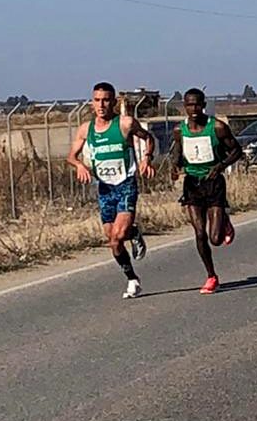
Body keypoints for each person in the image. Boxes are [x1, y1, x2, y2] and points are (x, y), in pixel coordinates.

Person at [66, 81, 157, 299]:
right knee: (113, 241)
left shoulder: (125, 123)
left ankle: (130, 231)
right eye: (97, 100)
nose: (101, 104)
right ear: (91, 103)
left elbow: (148, 138)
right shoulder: (86, 129)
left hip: (125, 184)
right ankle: (132, 279)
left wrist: (146, 159)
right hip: (105, 188)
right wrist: (79, 165)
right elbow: (71, 156)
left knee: (119, 233)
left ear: (114, 102)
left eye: (106, 100)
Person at [171, 87, 243, 295]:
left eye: (197, 104)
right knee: (199, 233)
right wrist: (175, 168)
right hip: (193, 185)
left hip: (214, 183)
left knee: (215, 239)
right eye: (189, 105)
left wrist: (220, 166)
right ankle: (211, 276)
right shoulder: (179, 130)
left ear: (203, 105)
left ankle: (224, 223)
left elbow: (236, 151)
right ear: (184, 107)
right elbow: (177, 153)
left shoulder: (217, 127)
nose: (193, 109)